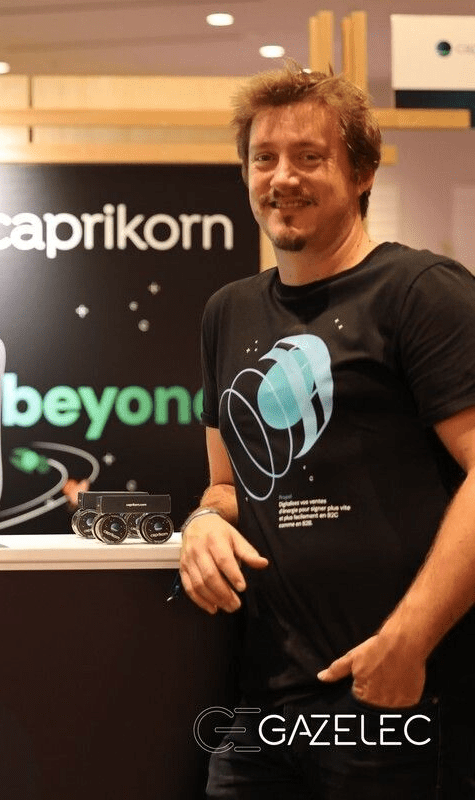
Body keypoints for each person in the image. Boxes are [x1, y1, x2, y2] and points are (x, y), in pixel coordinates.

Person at [179, 64, 475, 798]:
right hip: (262, 711)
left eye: (309, 157)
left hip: (399, 700)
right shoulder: (227, 311)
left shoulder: (421, 292)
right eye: (264, 158)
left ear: (362, 172)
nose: (283, 177)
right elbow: (227, 486)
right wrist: (202, 522)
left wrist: (408, 642)